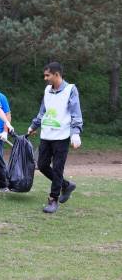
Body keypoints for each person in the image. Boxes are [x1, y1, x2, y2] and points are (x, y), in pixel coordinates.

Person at [27, 62, 83, 213]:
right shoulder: (47, 90)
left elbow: (75, 113)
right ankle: (66, 185)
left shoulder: (71, 90)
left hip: (62, 136)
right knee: (42, 165)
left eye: (47, 75)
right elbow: (43, 111)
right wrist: (34, 126)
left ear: (57, 74)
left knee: (58, 168)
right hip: (46, 135)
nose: (45, 78)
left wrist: (75, 133)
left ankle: (53, 200)